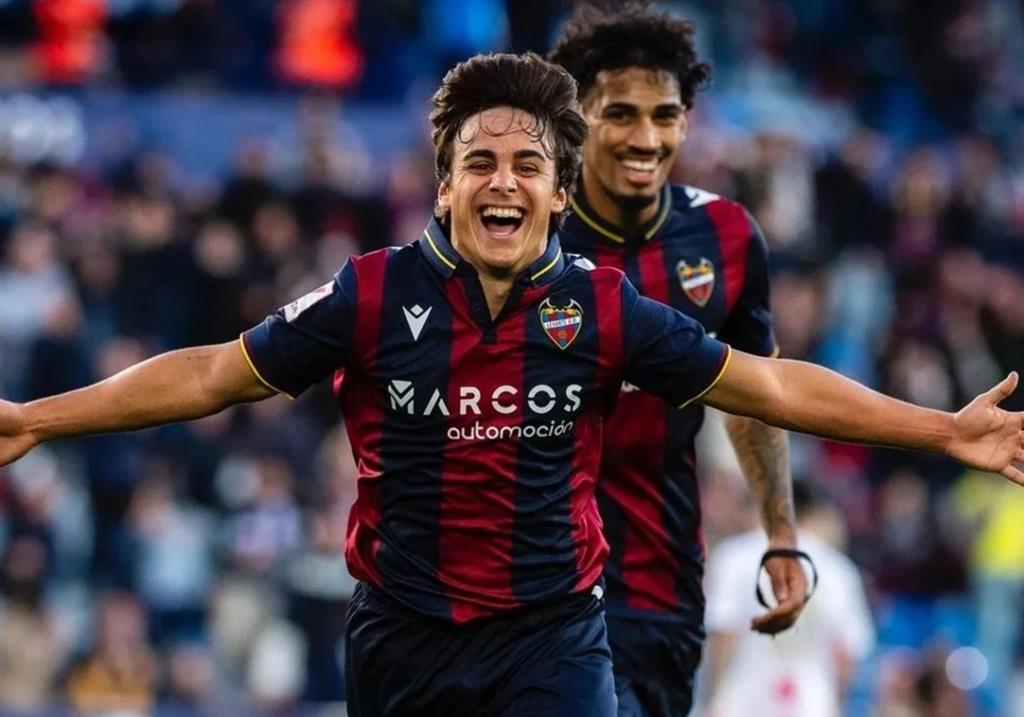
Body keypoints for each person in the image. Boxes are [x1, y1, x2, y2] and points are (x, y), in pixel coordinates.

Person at [0, 52, 1021, 717]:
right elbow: (217, 374)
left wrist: (941, 430)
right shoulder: (370, 293)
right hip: (402, 636)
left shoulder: (602, 307)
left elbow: (770, 387)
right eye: (479, 162)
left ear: (558, 191)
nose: (503, 180)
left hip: (551, 637)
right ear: (444, 184)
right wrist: (41, 418)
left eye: (527, 164)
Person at [549, 5, 804, 714]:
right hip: (540, 585)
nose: (646, 138)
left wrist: (781, 532)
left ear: (687, 121)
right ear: (579, 120)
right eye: (620, 114)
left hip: (664, 584)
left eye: (664, 115)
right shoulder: (530, 234)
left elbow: (757, 398)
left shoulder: (726, 234)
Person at [703, 481, 875, 717]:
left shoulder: (735, 555)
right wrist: (835, 704)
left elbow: (724, 633)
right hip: (812, 705)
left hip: (743, 702)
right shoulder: (839, 570)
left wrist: (715, 698)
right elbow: (848, 654)